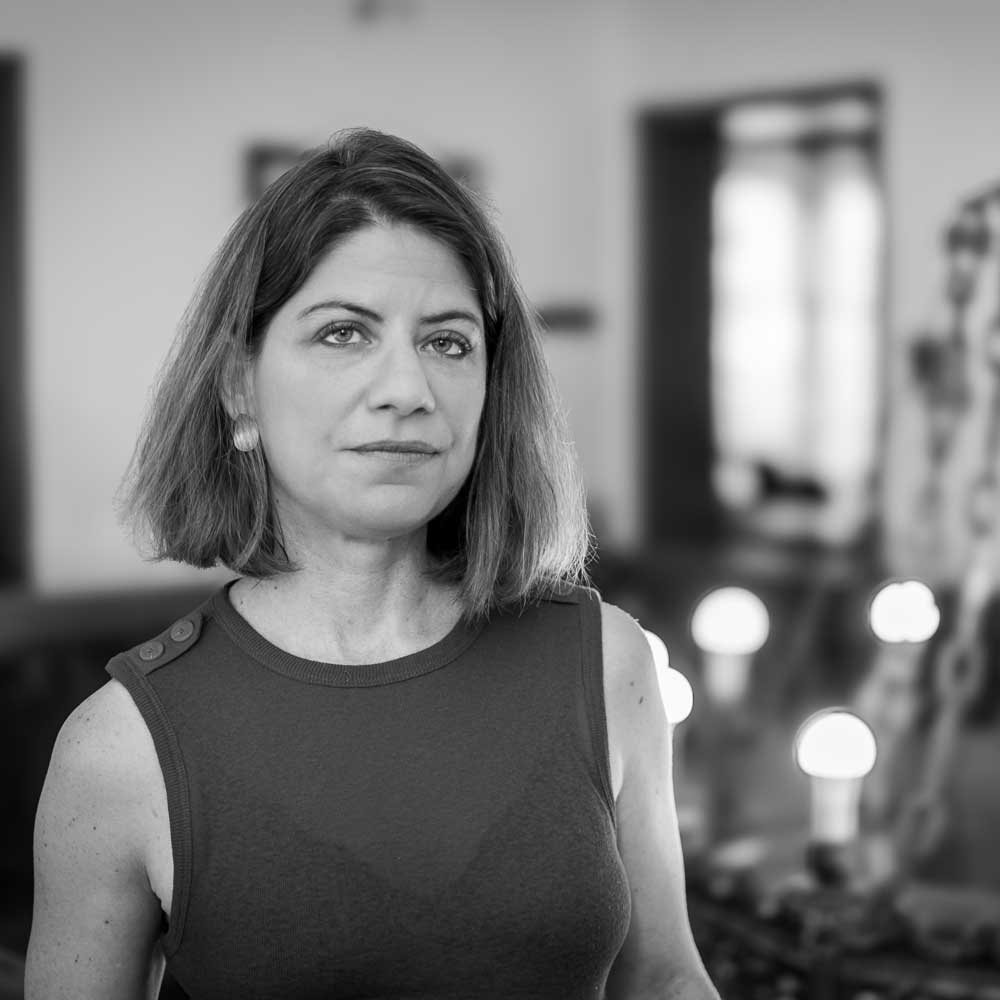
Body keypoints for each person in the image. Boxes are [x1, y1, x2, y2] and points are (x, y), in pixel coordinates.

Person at [25, 128, 719, 1000]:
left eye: (448, 343)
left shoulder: (609, 662)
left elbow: (667, 982)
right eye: (345, 333)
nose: (407, 391)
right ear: (239, 385)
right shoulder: (119, 746)